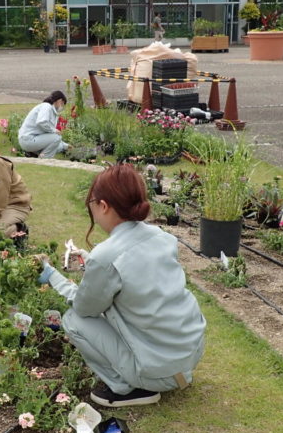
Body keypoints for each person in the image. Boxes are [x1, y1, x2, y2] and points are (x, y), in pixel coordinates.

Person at [38, 164, 206, 408]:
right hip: (190, 353)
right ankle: (152, 375)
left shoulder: (106, 256)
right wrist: (91, 261)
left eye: (92, 205)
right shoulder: (162, 236)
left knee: (74, 320)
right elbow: (132, 273)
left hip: (159, 372)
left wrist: (53, 276)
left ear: (103, 206)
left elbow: (86, 308)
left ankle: (127, 387)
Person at [17, 90, 70, 158]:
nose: (62, 107)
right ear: (59, 101)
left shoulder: (50, 109)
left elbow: (49, 135)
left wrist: (66, 146)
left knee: (58, 146)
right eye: (62, 104)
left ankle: (35, 155)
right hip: (28, 139)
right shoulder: (46, 106)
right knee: (57, 137)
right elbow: (41, 122)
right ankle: (44, 159)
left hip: (31, 139)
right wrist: (54, 130)